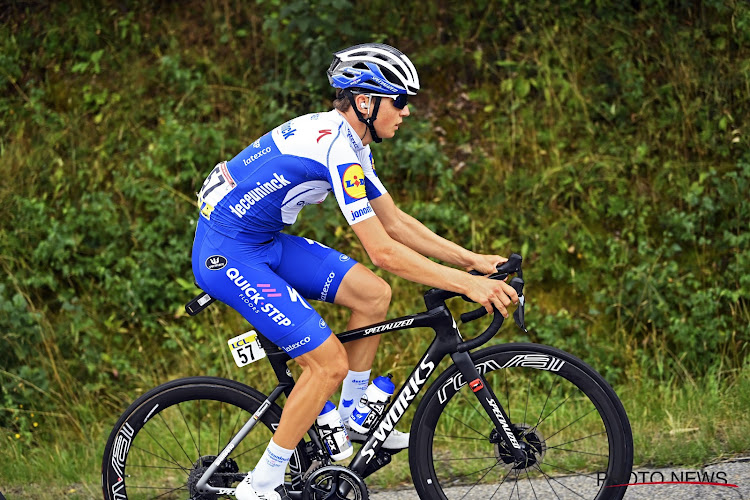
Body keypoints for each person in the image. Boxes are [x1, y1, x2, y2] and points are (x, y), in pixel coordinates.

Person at [191, 43, 519, 500]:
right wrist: (467, 285)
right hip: (227, 252)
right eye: (399, 101)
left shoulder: (349, 141)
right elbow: (383, 249)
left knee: (371, 295)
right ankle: (260, 486)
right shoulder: (336, 146)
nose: (405, 112)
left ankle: (350, 417)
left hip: (260, 240)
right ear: (366, 103)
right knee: (328, 364)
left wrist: (471, 261)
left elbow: (396, 221)